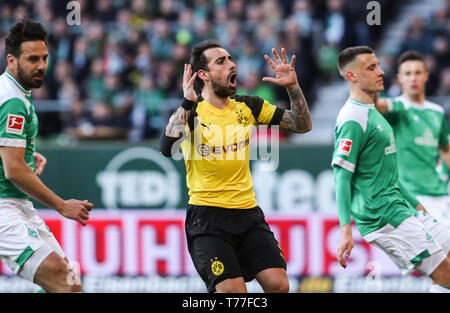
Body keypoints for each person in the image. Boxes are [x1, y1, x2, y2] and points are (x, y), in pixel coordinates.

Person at [160, 39, 311, 293]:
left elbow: (301, 124)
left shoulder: (248, 106)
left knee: (279, 285)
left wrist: (293, 87)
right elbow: (166, 148)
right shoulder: (192, 112)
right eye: (221, 61)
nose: (232, 64)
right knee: (233, 294)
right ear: (203, 75)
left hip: (247, 213)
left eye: (231, 59)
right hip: (208, 218)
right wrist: (186, 103)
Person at [332, 46, 450, 293]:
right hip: (383, 216)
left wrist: (415, 204)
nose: (381, 72)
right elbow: (341, 177)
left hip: (403, 206)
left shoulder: (371, 113)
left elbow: (389, 175)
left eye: (378, 65)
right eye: (372, 67)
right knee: (446, 275)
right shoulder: (353, 118)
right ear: (352, 76)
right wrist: (345, 229)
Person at [0, 20, 93, 292]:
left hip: (16, 207)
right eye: (32, 59)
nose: (41, 65)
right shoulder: (14, 101)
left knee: (70, 284)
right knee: (62, 281)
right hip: (5, 208)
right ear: (12, 60)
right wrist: (61, 205)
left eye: (44, 58)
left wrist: (25, 151)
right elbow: (14, 171)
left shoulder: (9, 91)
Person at [375, 51, 450, 227]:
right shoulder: (398, 108)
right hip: (413, 197)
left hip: (441, 194)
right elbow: (377, 105)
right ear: (399, 78)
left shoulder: (437, 112)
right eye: (408, 74)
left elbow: (445, 149)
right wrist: (372, 81)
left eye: (417, 73)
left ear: (426, 76)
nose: (413, 78)